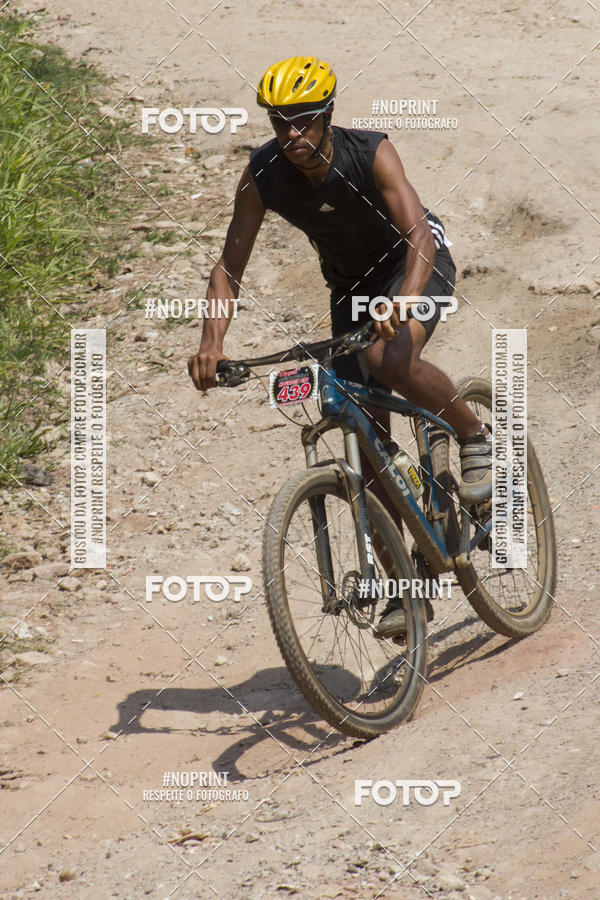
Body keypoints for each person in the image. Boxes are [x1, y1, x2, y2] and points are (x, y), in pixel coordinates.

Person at [188, 56, 492, 637]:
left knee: (389, 359)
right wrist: (211, 344)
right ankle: (409, 585)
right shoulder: (262, 175)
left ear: (328, 114)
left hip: (415, 265)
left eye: (304, 120)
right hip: (351, 289)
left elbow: (419, 235)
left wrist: (402, 301)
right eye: (281, 123)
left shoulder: (369, 152)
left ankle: (474, 435)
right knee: (358, 426)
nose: (293, 135)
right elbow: (229, 266)